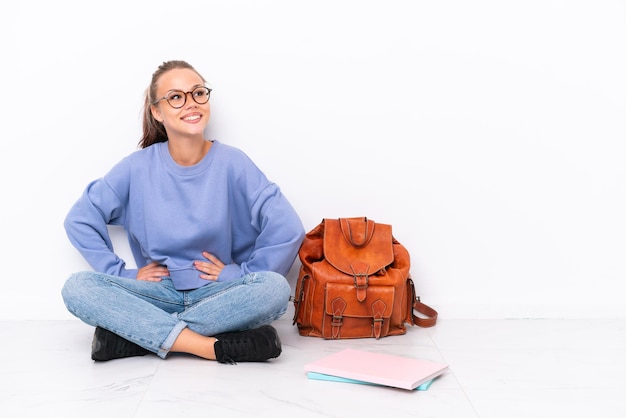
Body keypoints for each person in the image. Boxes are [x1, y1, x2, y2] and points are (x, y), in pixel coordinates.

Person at [61, 60, 305, 364]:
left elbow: (288, 227)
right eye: (176, 97)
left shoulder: (233, 163)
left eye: (198, 93)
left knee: (275, 289)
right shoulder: (136, 169)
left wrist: (237, 273)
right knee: (77, 287)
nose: (191, 103)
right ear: (157, 111)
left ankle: (136, 338)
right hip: (157, 294)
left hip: (218, 292)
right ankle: (206, 346)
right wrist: (121, 273)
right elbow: (80, 219)